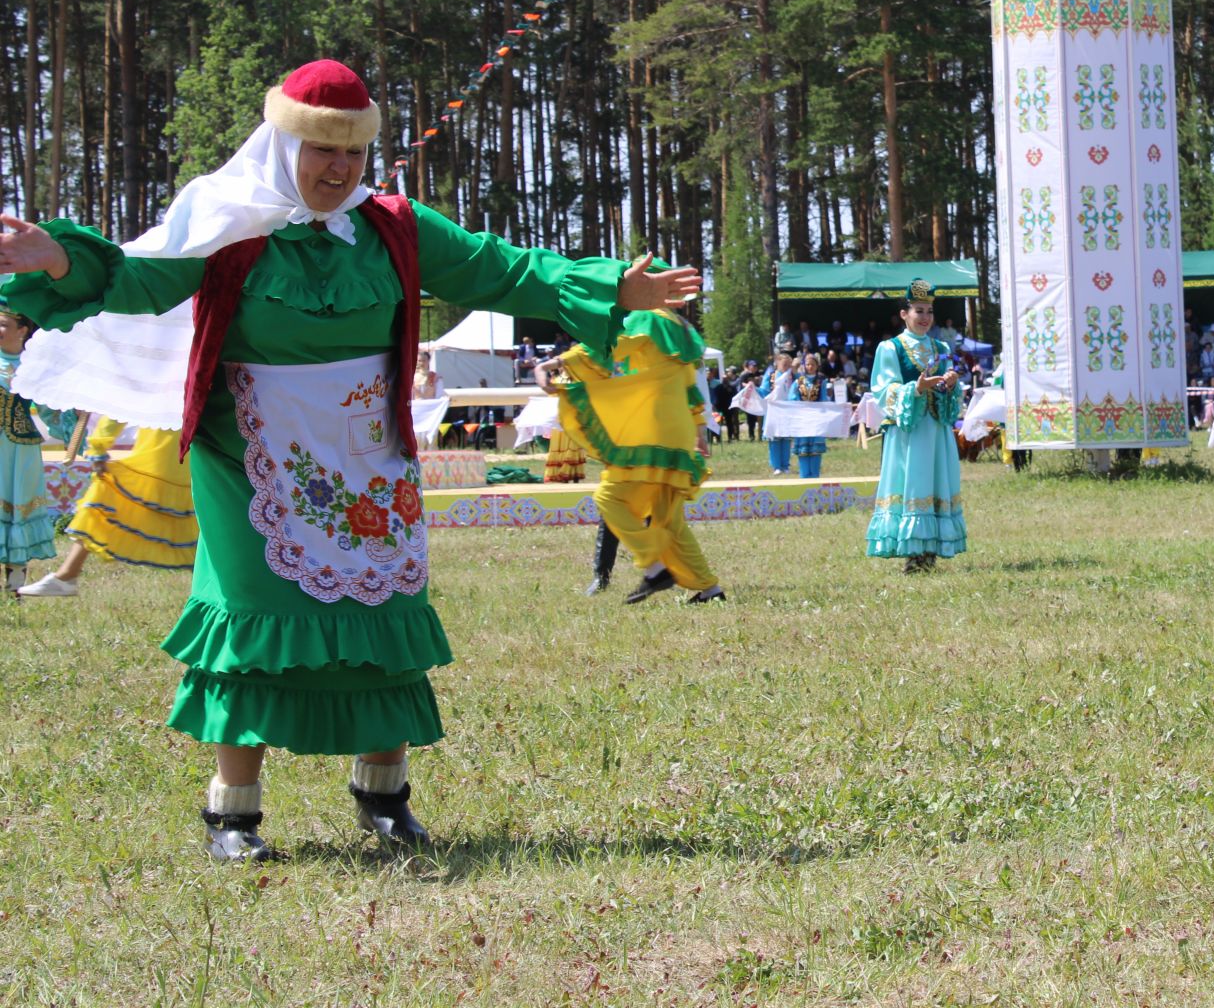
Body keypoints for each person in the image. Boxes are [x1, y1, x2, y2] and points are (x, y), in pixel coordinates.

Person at [0, 58, 699, 861]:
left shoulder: (393, 226)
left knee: (380, 616)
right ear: (279, 145)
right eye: (321, 152)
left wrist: (612, 285)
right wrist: (56, 258)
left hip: (369, 457)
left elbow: (497, 266)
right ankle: (234, 815)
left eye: (354, 155)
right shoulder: (229, 222)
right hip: (249, 454)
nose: (339, 170)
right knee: (255, 622)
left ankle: (385, 798)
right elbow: (140, 278)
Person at [558, 296, 725, 603]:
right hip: (677, 430)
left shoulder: (647, 317)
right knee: (668, 516)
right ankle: (710, 589)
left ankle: (654, 567)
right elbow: (691, 390)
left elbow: (609, 347)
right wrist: (699, 433)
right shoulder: (683, 330)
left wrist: (562, 362)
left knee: (609, 496)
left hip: (653, 428)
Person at [15, 415, 198, 597]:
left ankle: (66, 576)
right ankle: (66, 575)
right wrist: (98, 445)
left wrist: (98, 445)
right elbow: (126, 395)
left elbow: (125, 395)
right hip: (178, 440)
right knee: (196, 520)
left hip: (175, 444)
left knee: (107, 498)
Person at [867, 278, 967, 571]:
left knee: (936, 482)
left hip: (935, 430)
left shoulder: (941, 347)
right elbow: (884, 391)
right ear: (904, 314)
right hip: (910, 432)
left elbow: (951, 391)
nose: (925, 318)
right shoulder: (890, 348)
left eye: (929, 312)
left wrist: (950, 385)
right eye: (918, 311)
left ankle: (931, 550)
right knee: (913, 483)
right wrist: (916, 389)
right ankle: (913, 552)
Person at [0, 303, 56, 592]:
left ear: (22, 330)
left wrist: (73, 420)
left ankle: (15, 582)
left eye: (3, 324)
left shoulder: (34, 367)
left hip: (20, 450)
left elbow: (51, 409)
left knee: (17, 509)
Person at [532, 354, 588, 483]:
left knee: (567, 446)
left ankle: (564, 474)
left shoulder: (561, 381)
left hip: (565, 420)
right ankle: (571, 474)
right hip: (567, 420)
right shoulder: (571, 381)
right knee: (571, 446)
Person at [784, 351, 831, 479]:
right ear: (804, 365)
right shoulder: (798, 381)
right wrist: (800, 405)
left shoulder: (821, 381)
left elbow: (823, 399)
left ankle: (815, 475)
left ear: (817, 365)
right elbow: (792, 397)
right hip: (802, 419)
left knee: (815, 448)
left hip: (816, 418)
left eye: (812, 364)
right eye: (807, 364)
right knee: (803, 448)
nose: (810, 367)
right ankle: (804, 476)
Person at [763, 351, 796, 474]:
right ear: (777, 363)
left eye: (789, 364)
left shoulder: (793, 376)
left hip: (788, 410)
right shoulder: (771, 376)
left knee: (786, 439)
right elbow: (763, 390)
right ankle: (776, 466)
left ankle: (785, 465)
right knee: (775, 439)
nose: (786, 367)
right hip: (773, 410)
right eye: (784, 364)